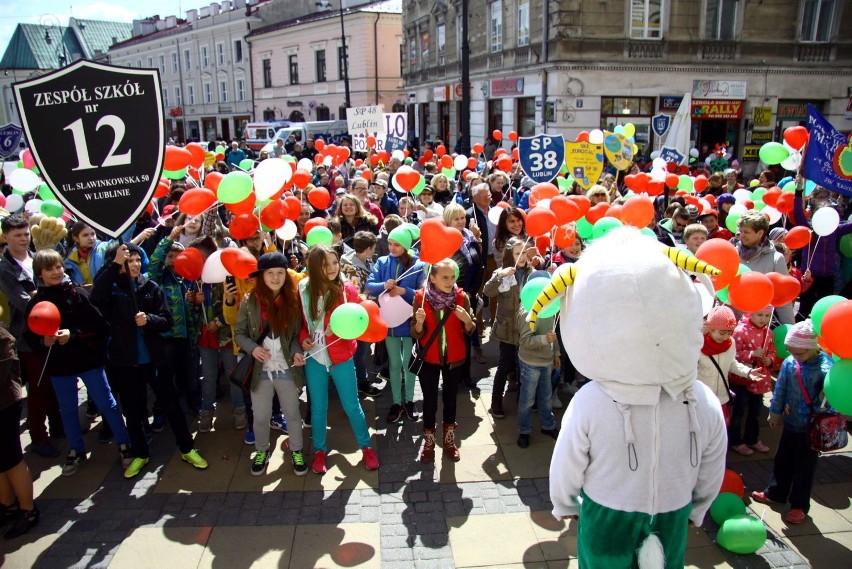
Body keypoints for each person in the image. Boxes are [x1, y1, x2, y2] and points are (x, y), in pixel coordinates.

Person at [540, 228, 727, 567]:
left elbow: (567, 462)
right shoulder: (701, 397)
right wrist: (697, 507)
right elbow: (713, 460)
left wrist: (566, 505)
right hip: (672, 512)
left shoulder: (590, 401)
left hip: (606, 512)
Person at [91, 243, 208, 479]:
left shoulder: (150, 287)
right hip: (125, 362)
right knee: (133, 411)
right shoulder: (111, 287)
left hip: (155, 359)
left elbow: (166, 320)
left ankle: (186, 447)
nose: (133, 265)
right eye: (128, 260)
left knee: (171, 403)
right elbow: (96, 298)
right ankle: (140, 454)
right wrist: (115, 265)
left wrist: (150, 320)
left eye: (136, 260)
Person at [24, 250, 132, 476]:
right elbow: (30, 336)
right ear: (40, 273)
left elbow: (100, 327)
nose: (56, 272)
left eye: (58, 267)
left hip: (87, 362)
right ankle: (76, 449)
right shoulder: (35, 302)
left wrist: (72, 335)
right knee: (68, 410)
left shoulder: (77, 294)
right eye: (50, 269)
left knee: (107, 403)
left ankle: (124, 442)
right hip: (59, 366)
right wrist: (43, 341)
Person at [298, 246, 379, 474]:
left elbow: (358, 324)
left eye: (335, 262)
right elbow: (303, 325)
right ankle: (319, 451)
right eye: (325, 264)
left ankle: (366, 447)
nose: (332, 268)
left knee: (352, 405)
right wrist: (304, 339)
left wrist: (342, 332)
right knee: (318, 408)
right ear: (315, 267)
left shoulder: (347, 290)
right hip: (315, 357)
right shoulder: (303, 290)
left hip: (341, 356)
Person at [751, 320, 835, 525]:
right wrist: (775, 412)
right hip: (791, 424)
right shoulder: (790, 363)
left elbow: (832, 401)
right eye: (792, 352)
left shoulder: (826, 368)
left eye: (800, 353)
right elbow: (780, 389)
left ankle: (799, 505)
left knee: (804, 468)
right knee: (782, 460)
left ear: (813, 347)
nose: (796, 357)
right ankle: (776, 492)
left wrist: (827, 399)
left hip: (811, 428)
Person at [235, 253, 307, 477]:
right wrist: (253, 348)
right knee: (261, 416)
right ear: (261, 276)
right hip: (260, 370)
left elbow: (295, 336)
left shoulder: (293, 300)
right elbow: (239, 334)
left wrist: (296, 352)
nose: (275, 278)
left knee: (292, 414)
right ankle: (262, 451)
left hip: (285, 367)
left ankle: (296, 450)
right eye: (270, 273)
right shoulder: (249, 300)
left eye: (280, 273)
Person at [0, 215, 62, 458]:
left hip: (51, 328)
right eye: (17, 235)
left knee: (55, 381)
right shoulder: (4, 267)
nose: (24, 239)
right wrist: (48, 293)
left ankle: (58, 426)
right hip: (28, 336)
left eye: (26, 234)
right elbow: (23, 302)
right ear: (6, 237)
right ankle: (39, 436)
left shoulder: (36, 257)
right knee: (38, 388)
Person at [411, 258, 476, 462]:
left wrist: (467, 321)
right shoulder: (421, 298)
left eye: (452, 277)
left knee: (451, 399)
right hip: (429, 358)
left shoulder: (461, 297)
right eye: (444, 277)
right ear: (432, 278)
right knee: (429, 402)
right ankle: (429, 441)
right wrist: (419, 324)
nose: (450, 281)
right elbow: (416, 333)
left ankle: (449, 440)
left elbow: (471, 327)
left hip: (454, 358)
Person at [366, 225, 424, 423]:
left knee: (408, 364)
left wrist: (404, 292)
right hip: (389, 323)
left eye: (397, 244)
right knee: (394, 364)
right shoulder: (382, 262)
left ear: (407, 245)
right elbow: (369, 286)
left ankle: (409, 401)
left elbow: (422, 294)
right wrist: (384, 285)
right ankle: (396, 402)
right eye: (390, 243)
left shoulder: (418, 265)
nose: (391, 247)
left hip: (408, 324)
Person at [147, 225, 202, 429]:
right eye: (170, 256)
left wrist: (194, 302)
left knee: (190, 375)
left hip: (187, 337)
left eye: (178, 257)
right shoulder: (159, 278)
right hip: (166, 337)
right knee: (165, 378)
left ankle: (193, 403)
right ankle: (161, 410)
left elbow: (194, 313)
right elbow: (154, 263)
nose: (173, 261)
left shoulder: (188, 278)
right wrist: (169, 238)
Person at [483, 237, 534, 418]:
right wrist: (500, 276)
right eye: (518, 253)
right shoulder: (502, 272)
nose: (522, 257)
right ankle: (496, 400)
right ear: (510, 255)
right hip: (507, 328)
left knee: (524, 366)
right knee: (504, 365)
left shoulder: (531, 273)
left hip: (525, 327)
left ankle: (524, 399)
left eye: (525, 253)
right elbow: (488, 292)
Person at [0, 318, 38, 539]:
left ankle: (28, 509)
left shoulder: (2, 335)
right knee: (1, 461)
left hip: (5, 405)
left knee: (11, 459)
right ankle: (8, 504)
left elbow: (5, 365)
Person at [697, 306, 762, 425]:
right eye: (722, 333)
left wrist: (747, 372)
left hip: (721, 398)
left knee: (718, 432)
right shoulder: (698, 344)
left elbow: (732, 364)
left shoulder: (730, 343)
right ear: (710, 329)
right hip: (702, 399)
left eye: (729, 332)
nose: (725, 337)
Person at [729, 307, 778, 456]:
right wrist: (751, 354)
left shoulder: (768, 332)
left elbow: (772, 351)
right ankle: (736, 441)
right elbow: (733, 354)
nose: (763, 319)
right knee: (738, 411)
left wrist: (769, 359)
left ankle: (752, 438)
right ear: (750, 313)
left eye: (767, 315)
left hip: (760, 379)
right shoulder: (740, 330)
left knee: (755, 412)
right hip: (741, 379)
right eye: (760, 314)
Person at [340, 231, 382, 398]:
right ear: (368, 249)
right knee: (360, 350)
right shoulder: (352, 269)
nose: (375, 250)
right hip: (358, 314)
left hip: (364, 311)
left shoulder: (362, 260)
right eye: (373, 248)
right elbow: (356, 294)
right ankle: (361, 382)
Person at [735, 211, 794, 324]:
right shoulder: (732, 253)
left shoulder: (776, 259)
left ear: (760, 233)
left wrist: (789, 329)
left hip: (759, 326)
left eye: (746, 232)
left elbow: (783, 299)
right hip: (731, 324)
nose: (742, 235)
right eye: (741, 231)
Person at [515, 304, 559, 448]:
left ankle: (548, 425)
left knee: (546, 397)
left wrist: (556, 353)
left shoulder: (550, 308)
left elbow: (553, 332)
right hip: (530, 362)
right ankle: (524, 431)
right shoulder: (527, 313)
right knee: (527, 400)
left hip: (546, 362)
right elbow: (525, 341)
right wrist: (545, 339)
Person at [63, 222, 110, 287]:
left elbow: (123, 236)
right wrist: (79, 288)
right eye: (85, 235)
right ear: (76, 238)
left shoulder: (105, 247)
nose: (91, 238)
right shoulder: (69, 262)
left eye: (93, 234)